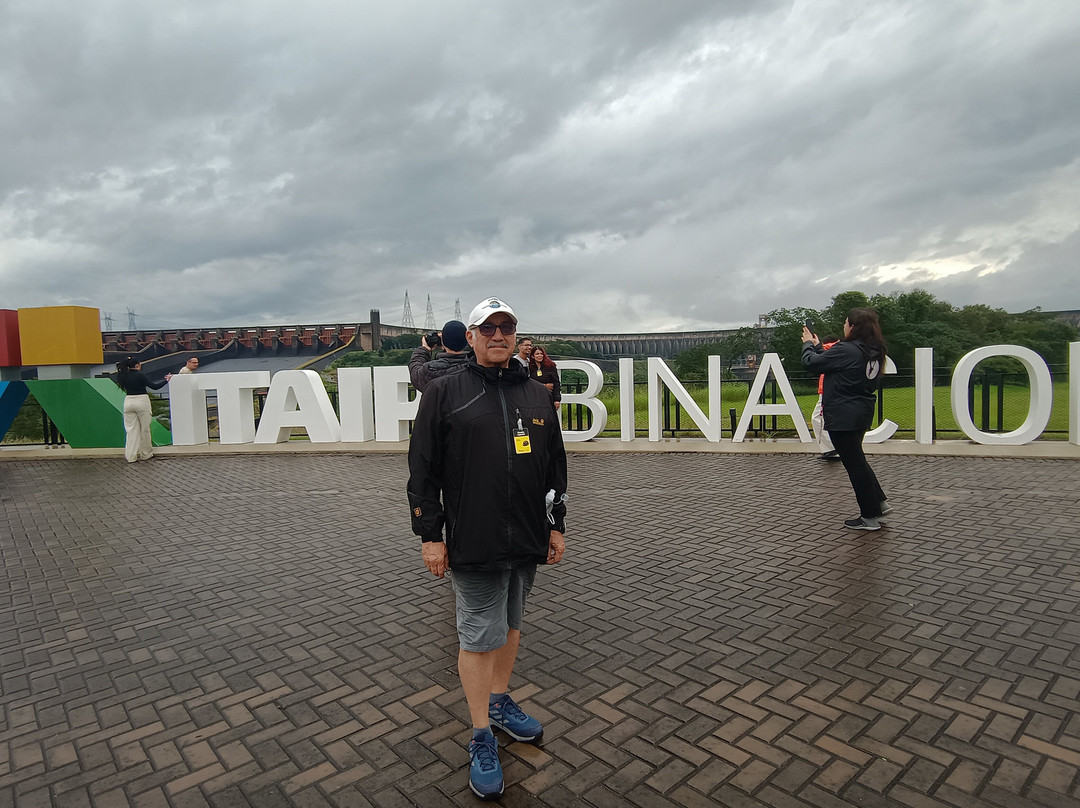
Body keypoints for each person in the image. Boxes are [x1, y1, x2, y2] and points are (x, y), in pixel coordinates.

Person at [407, 296, 567, 800]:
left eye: (507, 327)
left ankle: (500, 703)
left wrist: (556, 524)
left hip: (527, 535)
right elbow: (422, 471)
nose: (499, 335)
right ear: (472, 337)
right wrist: (431, 536)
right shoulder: (444, 392)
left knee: (511, 625)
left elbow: (554, 466)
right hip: (472, 538)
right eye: (488, 328)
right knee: (479, 634)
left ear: (516, 335)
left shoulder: (536, 394)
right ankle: (480, 735)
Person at [802, 309, 890, 531]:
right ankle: (879, 502)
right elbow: (832, 362)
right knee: (858, 460)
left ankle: (869, 516)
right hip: (861, 412)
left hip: (843, 415)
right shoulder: (873, 350)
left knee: (855, 465)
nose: (843, 326)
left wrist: (807, 345)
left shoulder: (845, 349)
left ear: (852, 326)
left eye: (845, 323)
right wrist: (819, 345)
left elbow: (812, 364)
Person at [114, 356, 172, 463]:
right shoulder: (140, 375)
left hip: (128, 401)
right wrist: (166, 380)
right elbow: (154, 387)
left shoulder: (123, 376)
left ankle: (130, 456)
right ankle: (146, 453)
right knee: (145, 429)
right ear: (137, 365)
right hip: (142, 401)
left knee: (131, 430)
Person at [408, 320, 469, 393]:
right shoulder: (475, 365)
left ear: (443, 340)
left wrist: (424, 349)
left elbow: (415, 374)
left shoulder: (431, 370)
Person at [810, 335, 839, 460]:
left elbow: (822, 353)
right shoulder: (840, 350)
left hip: (827, 392)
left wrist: (813, 344)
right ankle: (831, 448)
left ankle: (831, 448)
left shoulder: (831, 349)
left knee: (817, 418)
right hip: (831, 391)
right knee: (823, 419)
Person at [527, 345, 562, 411]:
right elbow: (529, 383)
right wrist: (544, 386)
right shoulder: (530, 368)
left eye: (541, 354)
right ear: (532, 356)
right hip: (534, 398)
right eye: (537, 354)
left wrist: (557, 400)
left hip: (548, 398)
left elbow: (556, 383)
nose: (540, 356)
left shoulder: (550, 366)